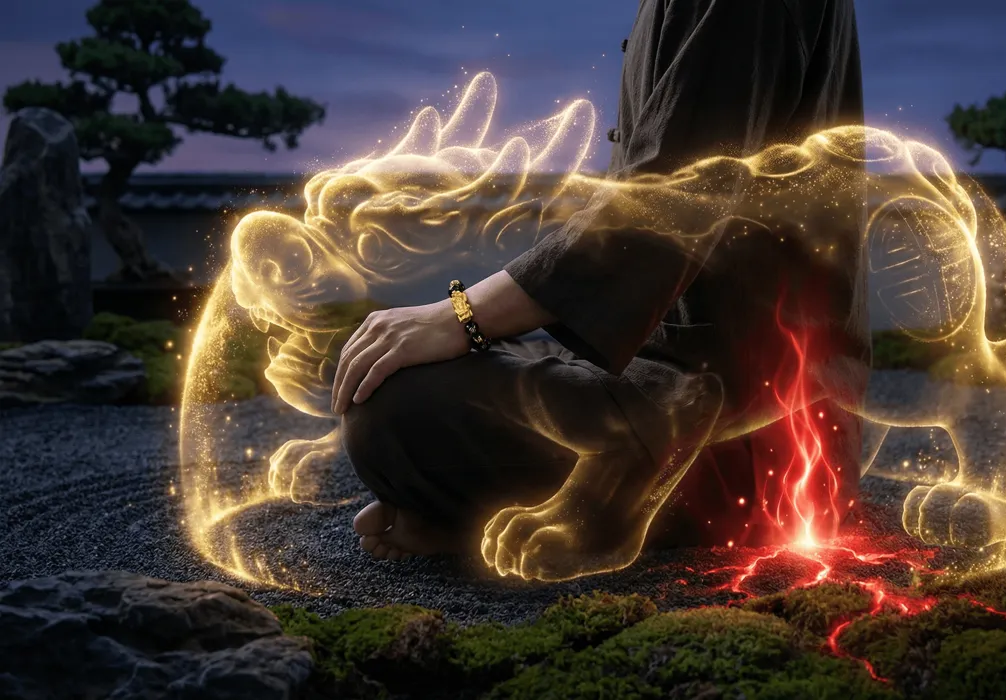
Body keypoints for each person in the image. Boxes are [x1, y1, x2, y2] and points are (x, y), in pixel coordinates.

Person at [334, 0, 869, 578]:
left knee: (395, 407)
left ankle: (613, 481)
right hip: (688, 388)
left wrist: (460, 316)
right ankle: (473, 513)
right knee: (384, 372)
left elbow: (672, 197)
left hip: (751, 442)